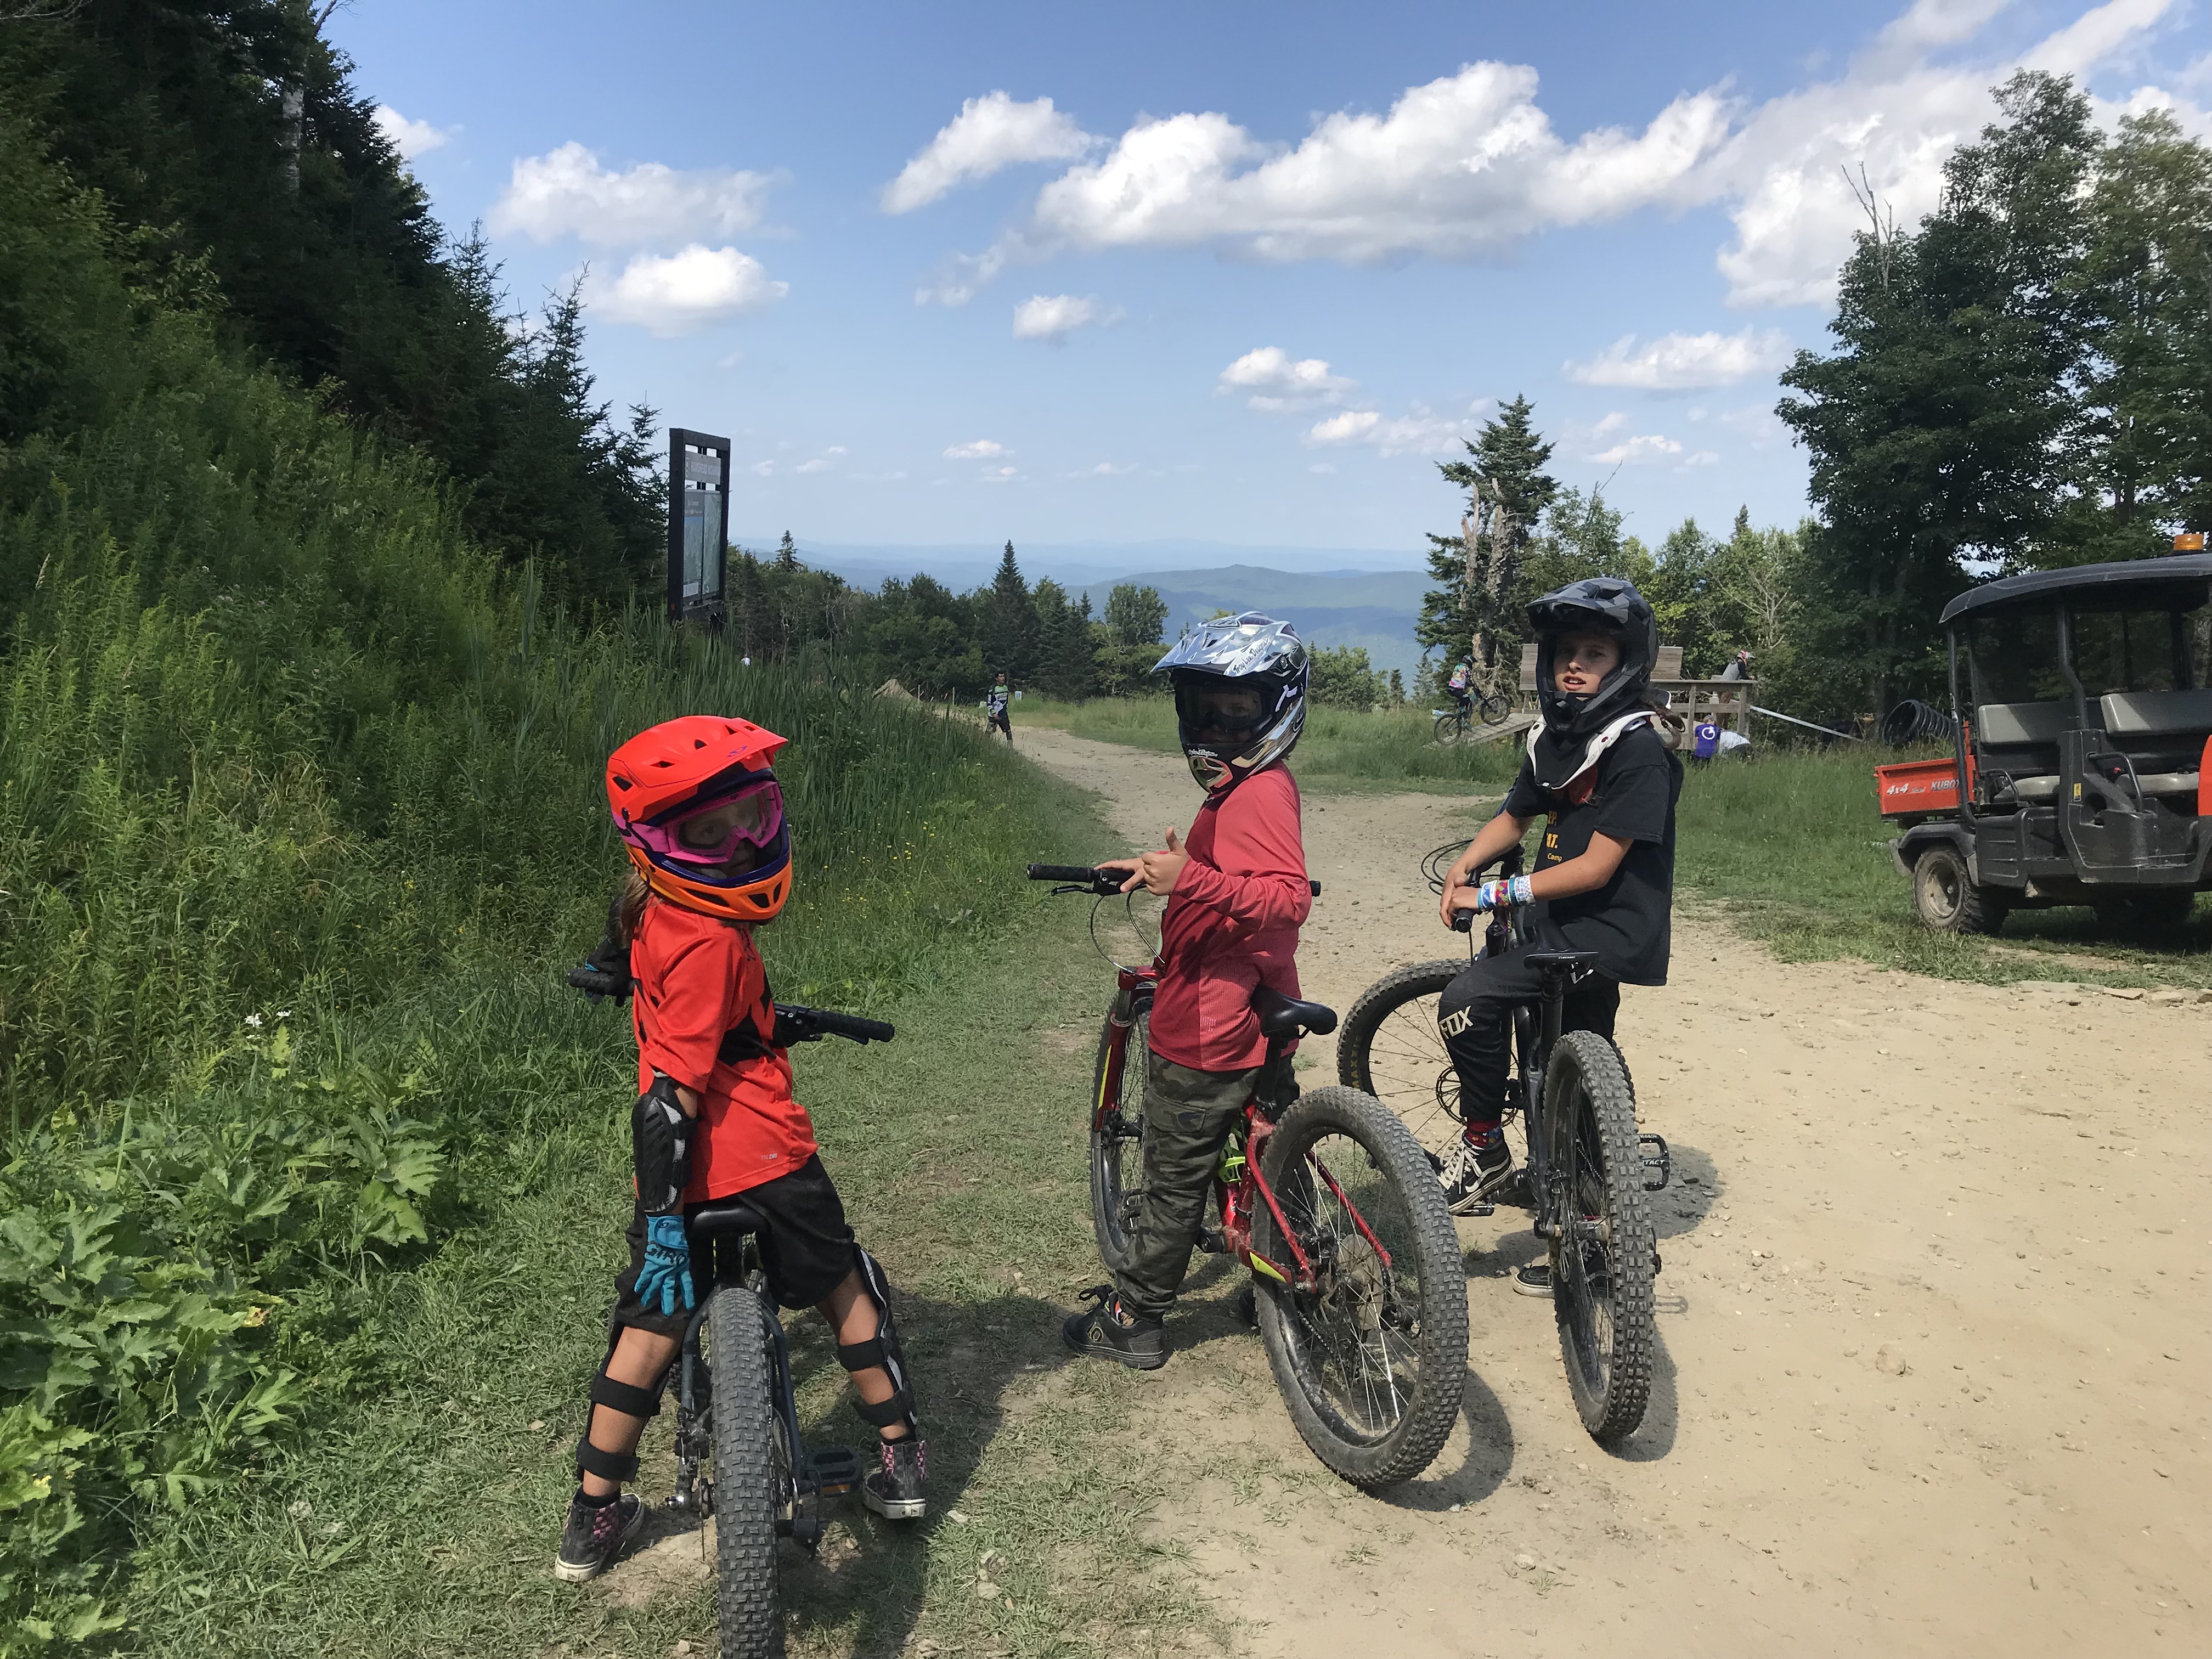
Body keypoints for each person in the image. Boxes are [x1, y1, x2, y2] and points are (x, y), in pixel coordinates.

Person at [555, 716, 926, 1582]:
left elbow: (645, 973)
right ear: (656, 845)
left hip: (683, 1187)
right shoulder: (718, 939)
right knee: (843, 1282)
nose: (736, 849)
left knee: (647, 1328)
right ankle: (901, 1457)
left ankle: (594, 1515)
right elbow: (669, 1103)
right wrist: (666, 1219)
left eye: (752, 820)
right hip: (763, 1158)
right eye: (707, 835)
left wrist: (663, 1223)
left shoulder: (649, 904)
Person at [1062, 613, 1312, 1368]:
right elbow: (1236, 882)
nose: (1218, 728)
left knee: (1174, 1182)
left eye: (1239, 711)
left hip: (1209, 1024)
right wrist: (1158, 872)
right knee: (1273, 1157)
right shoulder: (1254, 789)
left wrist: (1193, 880)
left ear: (1279, 709)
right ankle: (1290, 1275)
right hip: (1260, 1014)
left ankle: (1134, 1314)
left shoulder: (1256, 793)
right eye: (1204, 709)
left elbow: (1287, 897)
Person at [1430, 579, 1682, 1293]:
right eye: (1566, 652)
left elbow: (1600, 866)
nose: (1575, 665)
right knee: (1563, 1070)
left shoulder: (1640, 751)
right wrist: (1466, 863)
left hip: (1598, 932)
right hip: (1554, 925)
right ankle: (1594, 1232)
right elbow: (1515, 816)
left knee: (1467, 999)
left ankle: (1484, 1149)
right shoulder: (1560, 738)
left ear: (1626, 664)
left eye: (1594, 653)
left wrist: (1496, 891)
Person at [985, 672, 1013, 743]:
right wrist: (994, 713)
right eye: (1000, 677)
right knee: (989, 732)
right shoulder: (993, 689)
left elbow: (1006, 700)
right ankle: (984, 745)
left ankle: (1011, 749)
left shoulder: (1005, 688)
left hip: (1003, 714)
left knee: (1008, 731)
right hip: (994, 715)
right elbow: (989, 703)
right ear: (996, 679)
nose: (1003, 678)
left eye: (1003, 676)